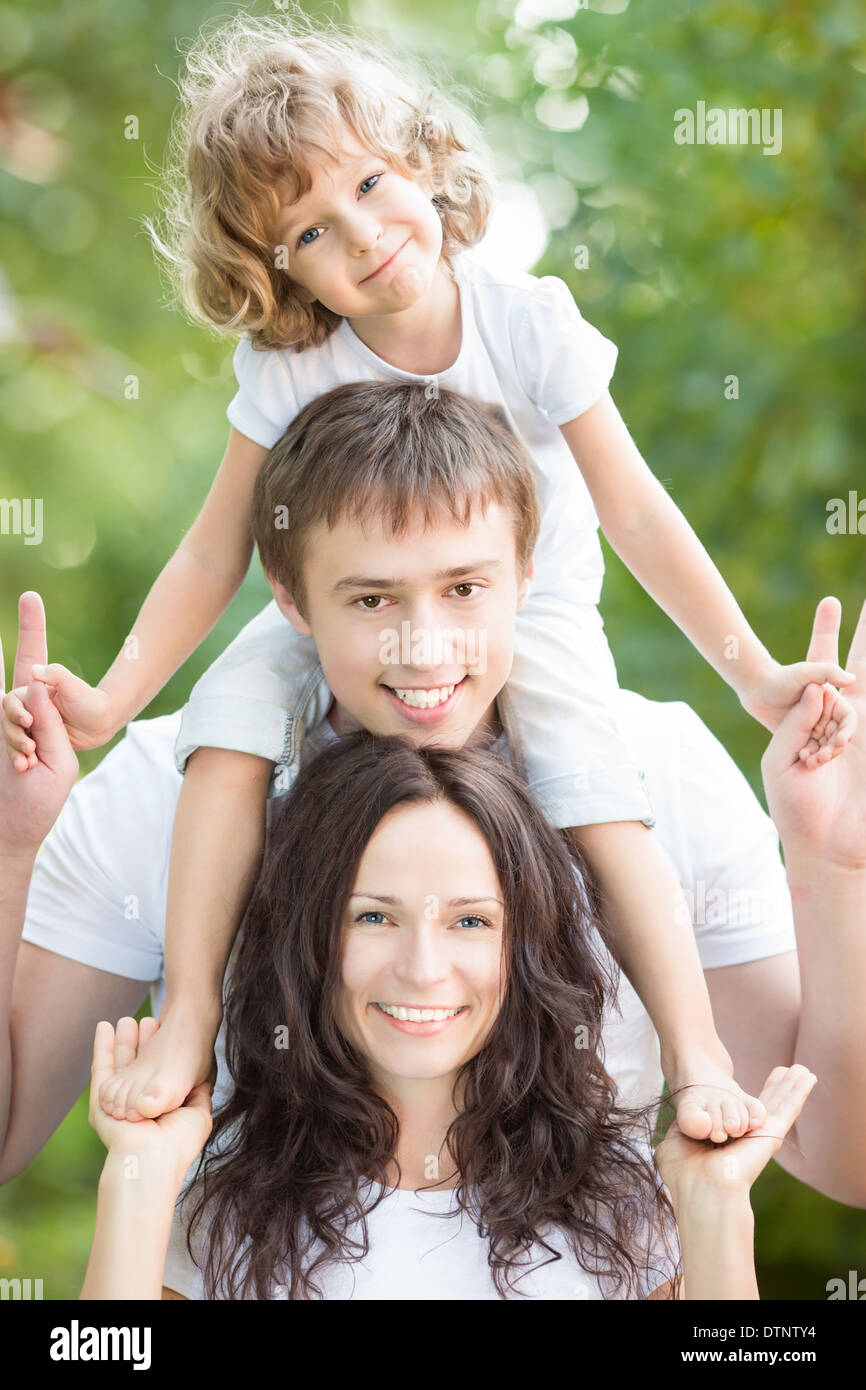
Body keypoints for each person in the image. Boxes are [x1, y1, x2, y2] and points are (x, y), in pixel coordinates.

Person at [0, 11, 855, 1142]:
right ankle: (190, 1010)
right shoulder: (290, 359)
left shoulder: (526, 321)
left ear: (417, 156)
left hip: (529, 605)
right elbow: (218, 549)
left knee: (585, 772)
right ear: (275, 271)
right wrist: (111, 699)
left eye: (366, 182)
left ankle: (694, 1050)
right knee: (225, 723)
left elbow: (635, 509)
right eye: (308, 232)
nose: (358, 235)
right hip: (328, 617)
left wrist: (749, 677)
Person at [1, 384, 865, 1210]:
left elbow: (843, 1162)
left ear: (526, 575)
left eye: (464, 589)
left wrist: (832, 864)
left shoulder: (660, 769)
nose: (424, 647)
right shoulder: (166, 787)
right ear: (291, 595)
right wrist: (6, 851)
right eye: (373, 597)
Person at [76, 733, 816, 1300]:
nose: (424, 967)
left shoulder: (614, 1206)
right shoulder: (229, 1209)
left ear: (524, 944)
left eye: (469, 922)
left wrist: (717, 1215)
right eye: (372, 917)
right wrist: (136, 1183)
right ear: (308, 940)